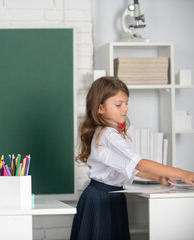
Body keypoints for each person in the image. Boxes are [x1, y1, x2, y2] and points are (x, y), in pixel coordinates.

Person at [70, 76, 194, 240]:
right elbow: (140, 164)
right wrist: (182, 173)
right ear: (101, 108)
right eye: (119, 104)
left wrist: (156, 176)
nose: (125, 109)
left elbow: (129, 167)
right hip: (102, 200)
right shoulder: (108, 134)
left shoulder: (106, 132)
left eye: (126, 104)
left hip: (108, 197)